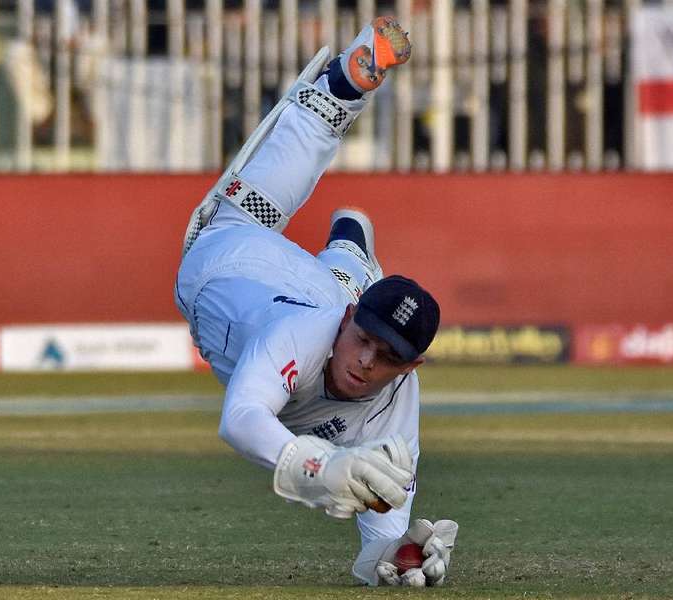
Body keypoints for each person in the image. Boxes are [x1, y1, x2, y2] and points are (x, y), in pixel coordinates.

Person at [174, 17, 459, 587]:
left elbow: (385, 521)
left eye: (387, 359)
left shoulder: (396, 396)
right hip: (220, 262)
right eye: (364, 343)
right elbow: (242, 418)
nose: (364, 363)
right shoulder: (300, 340)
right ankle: (341, 90)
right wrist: (319, 467)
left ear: (412, 367)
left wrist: (397, 554)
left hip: (311, 284)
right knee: (254, 215)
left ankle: (350, 252)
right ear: (349, 325)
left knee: (343, 278)